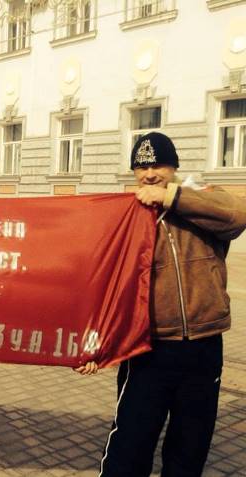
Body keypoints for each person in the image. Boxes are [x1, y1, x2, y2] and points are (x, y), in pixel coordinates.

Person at [76, 132, 246, 477]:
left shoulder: (201, 198)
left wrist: (171, 197)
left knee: (190, 447)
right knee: (129, 447)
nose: (150, 174)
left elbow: (237, 215)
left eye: (158, 165)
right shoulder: (128, 215)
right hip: (147, 348)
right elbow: (106, 286)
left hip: (204, 347)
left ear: (174, 167)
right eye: (142, 167)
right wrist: (95, 345)